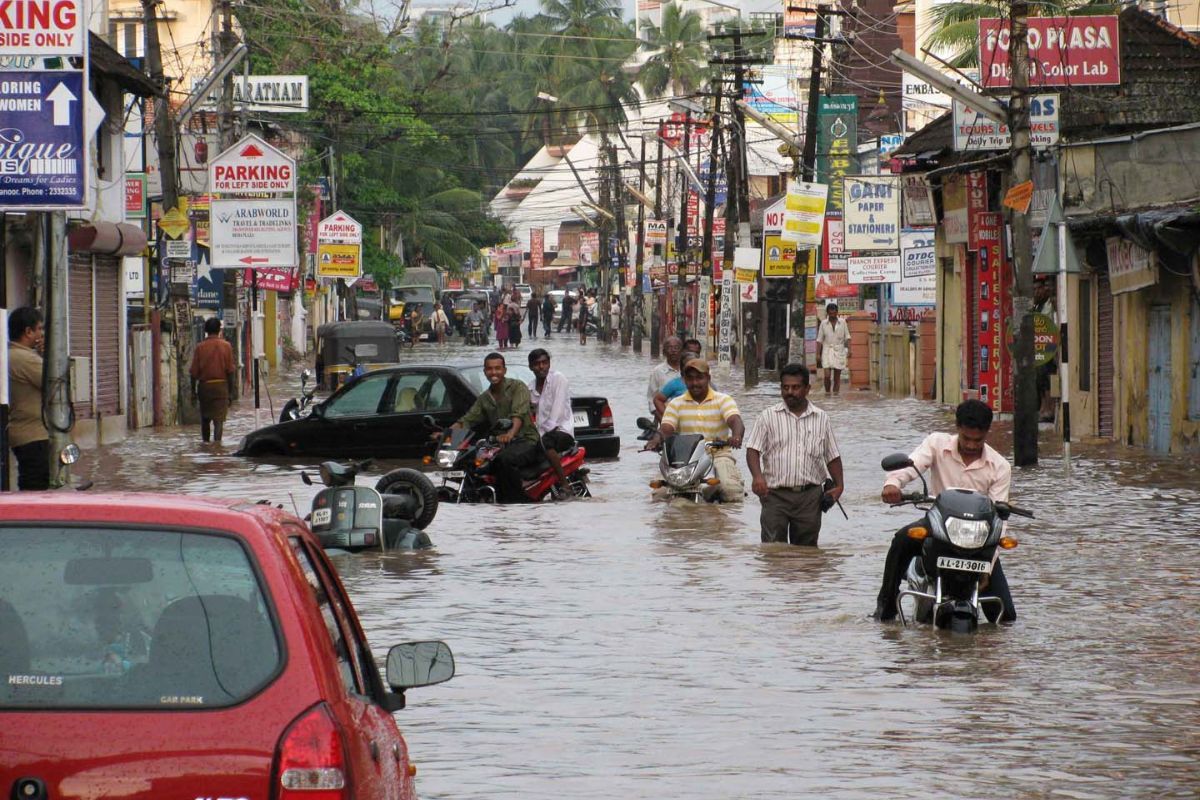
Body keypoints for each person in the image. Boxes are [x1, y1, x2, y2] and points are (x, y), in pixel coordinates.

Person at [873, 399, 1016, 623]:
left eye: (977, 440)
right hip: (937, 526)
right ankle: (886, 607)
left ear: (987, 433)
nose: (971, 445)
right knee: (901, 540)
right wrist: (893, 484)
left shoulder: (1000, 466)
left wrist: (987, 567)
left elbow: (1000, 519)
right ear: (957, 428)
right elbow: (912, 465)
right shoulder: (936, 444)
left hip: (979, 539)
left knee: (1005, 618)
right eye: (966, 438)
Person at [745, 364, 844, 546]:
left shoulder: (821, 418)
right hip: (774, 496)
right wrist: (757, 477)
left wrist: (839, 486)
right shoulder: (767, 417)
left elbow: (832, 456)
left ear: (807, 389)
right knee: (773, 550)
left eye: (796, 387)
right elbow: (752, 449)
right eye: (785, 387)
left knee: (807, 553)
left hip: (810, 497)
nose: (790, 392)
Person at [440, 352, 541, 503]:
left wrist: (510, 434)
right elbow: (467, 420)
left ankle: (516, 503)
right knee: (472, 464)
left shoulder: (517, 387)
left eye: (497, 368)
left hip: (526, 441)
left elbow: (518, 415)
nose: (494, 372)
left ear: (504, 370)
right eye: (489, 369)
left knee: (504, 460)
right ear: (485, 371)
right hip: (499, 445)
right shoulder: (484, 398)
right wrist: (446, 435)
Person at [644, 358, 746, 502]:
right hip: (684, 459)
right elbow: (666, 428)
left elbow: (735, 420)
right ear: (684, 380)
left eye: (699, 378)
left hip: (717, 455)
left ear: (708, 378)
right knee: (658, 495)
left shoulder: (723, 400)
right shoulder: (676, 404)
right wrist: (656, 440)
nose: (695, 383)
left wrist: (736, 436)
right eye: (690, 378)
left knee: (731, 491)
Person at [8, 307, 49, 490]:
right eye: (39, 328)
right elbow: (56, 385)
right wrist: (49, 356)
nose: (42, 333)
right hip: (34, 435)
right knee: (36, 485)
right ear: (28, 331)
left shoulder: (11, 356)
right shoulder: (25, 359)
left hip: (23, 433)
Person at [527, 348, 575, 498]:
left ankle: (565, 484)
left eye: (544, 363)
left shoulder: (558, 379)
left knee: (545, 443)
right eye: (537, 364)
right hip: (542, 434)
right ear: (531, 367)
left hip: (562, 431)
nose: (541, 367)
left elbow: (557, 411)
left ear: (549, 364)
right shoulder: (530, 388)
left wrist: (541, 435)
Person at [189, 316, 236, 444]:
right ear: (219, 330)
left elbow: (193, 373)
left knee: (205, 419)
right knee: (218, 421)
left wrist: (193, 392)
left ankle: (206, 445)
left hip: (205, 388)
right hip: (221, 388)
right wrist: (230, 393)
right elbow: (230, 372)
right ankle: (217, 446)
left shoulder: (200, 347)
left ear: (206, 330)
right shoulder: (226, 346)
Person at [1033, 276, 1058, 422]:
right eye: (1034, 290)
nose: (1037, 292)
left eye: (1039, 289)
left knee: (1048, 377)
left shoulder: (1051, 304)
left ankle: (1050, 408)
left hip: (1050, 346)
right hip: (1040, 347)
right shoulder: (1037, 306)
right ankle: (1043, 407)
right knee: (1040, 378)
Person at [816, 303, 851, 394]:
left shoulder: (843, 322)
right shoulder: (823, 323)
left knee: (837, 377)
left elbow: (848, 337)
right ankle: (827, 393)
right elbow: (819, 340)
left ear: (837, 313)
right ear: (827, 313)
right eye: (830, 313)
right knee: (827, 375)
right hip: (827, 351)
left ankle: (836, 395)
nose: (832, 315)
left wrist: (849, 350)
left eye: (834, 313)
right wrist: (818, 354)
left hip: (839, 350)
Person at [646, 335, 683, 414]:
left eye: (676, 347)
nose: (673, 350)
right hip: (665, 414)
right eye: (669, 347)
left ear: (682, 351)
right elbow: (652, 401)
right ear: (664, 352)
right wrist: (663, 418)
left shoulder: (688, 370)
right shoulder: (657, 371)